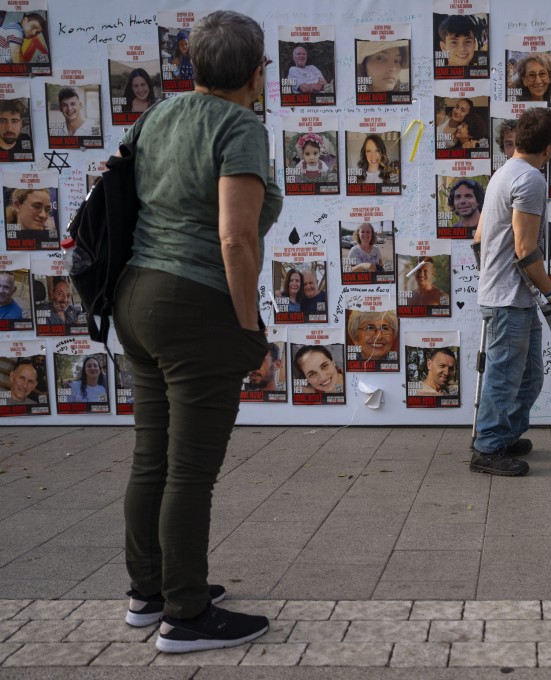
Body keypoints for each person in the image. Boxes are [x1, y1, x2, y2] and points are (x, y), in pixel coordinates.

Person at [112, 10, 282, 651]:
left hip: (137, 295)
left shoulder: (158, 114)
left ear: (195, 64)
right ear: (257, 71)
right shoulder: (240, 126)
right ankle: (185, 616)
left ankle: (148, 592)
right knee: (189, 472)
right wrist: (247, 329)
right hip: (194, 304)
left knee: (151, 457)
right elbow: (236, 239)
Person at [472, 106, 551, 476]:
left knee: (529, 376)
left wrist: (492, 276)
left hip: (512, 296)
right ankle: (486, 449)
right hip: (508, 300)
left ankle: (505, 435)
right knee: (504, 377)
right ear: (549, 148)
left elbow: (478, 238)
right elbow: (524, 249)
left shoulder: (504, 172)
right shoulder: (530, 179)